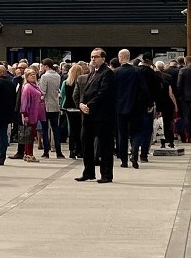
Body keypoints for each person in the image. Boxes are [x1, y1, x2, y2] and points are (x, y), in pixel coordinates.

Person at [76, 48, 116, 184]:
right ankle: (88, 172)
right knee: (85, 143)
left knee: (105, 146)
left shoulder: (108, 73)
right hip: (88, 116)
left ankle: (106, 174)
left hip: (102, 116)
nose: (93, 59)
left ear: (103, 59)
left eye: (96, 57)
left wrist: (89, 105)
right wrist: (81, 104)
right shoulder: (92, 73)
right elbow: (85, 92)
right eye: (92, 57)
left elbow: (103, 93)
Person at [113, 49, 146, 168]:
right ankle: (135, 152)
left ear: (120, 57)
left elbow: (112, 91)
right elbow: (143, 89)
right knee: (136, 132)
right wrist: (147, 104)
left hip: (120, 107)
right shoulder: (138, 71)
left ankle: (123, 160)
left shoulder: (115, 72)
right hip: (136, 107)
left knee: (122, 134)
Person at [38, 58, 65, 159]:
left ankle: (46, 152)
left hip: (46, 105)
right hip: (55, 104)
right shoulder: (57, 75)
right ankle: (59, 152)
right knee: (55, 129)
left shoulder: (45, 76)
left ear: (45, 66)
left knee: (45, 129)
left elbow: (43, 91)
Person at [19, 68, 45, 163]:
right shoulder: (27, 87)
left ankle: (27, 154)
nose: (33, 76)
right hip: (29, 114)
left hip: (35, 113)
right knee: (29, 135)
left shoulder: (35, 86)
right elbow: (24, 102)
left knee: (30, 134)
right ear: (26, 76)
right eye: (31, 75)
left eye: (34, 74)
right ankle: (29, 154)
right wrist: (25, 114)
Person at [61, 63, 84, 159]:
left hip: (69, 108)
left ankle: (71, 151)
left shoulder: (66, 83)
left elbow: (63, 95)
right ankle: (79, 150)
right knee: (80, 129)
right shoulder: (83, 82)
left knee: (72, 129)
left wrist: (62, 106)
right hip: (79, 108)